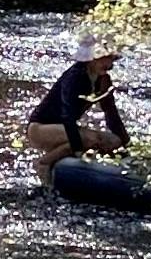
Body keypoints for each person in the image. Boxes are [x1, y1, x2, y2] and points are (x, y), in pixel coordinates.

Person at [22, 50, 129, 181]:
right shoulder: (74, 77)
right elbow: (68, 116)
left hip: (65, 128)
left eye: (110, 59)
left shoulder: (104, 80)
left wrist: (126, 145)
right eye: (103, 58)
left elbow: (111, 114)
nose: (108, 63)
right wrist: (78, 150)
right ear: (90, 58)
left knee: (114, 141)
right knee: (90, 139)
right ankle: (44, 163)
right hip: (40, 129)